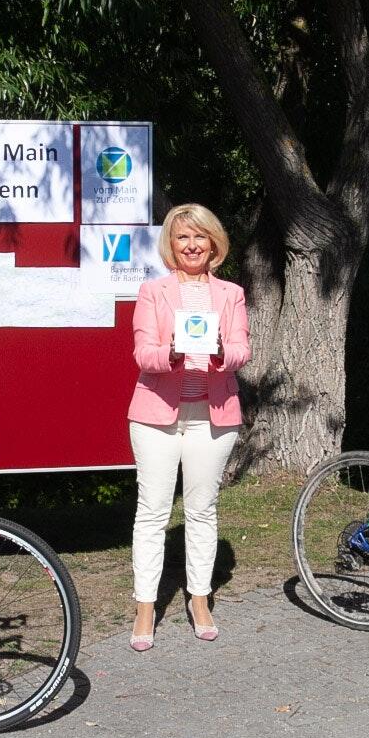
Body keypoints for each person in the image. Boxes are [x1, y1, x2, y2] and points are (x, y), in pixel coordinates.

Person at [128, 203, 251, 651]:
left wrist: (220, 350)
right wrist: (173, 354)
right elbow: (143, 354)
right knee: (154, 511)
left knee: (202, 510)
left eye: (200, 237)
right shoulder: (152, 292)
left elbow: (241, 350)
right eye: (182, 237)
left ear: (214, 244)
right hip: (157, 416)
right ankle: (145, 604)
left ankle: (200, 599)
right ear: (171, 245)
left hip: (213, 417)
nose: (192, 245)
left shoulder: (231, 294)